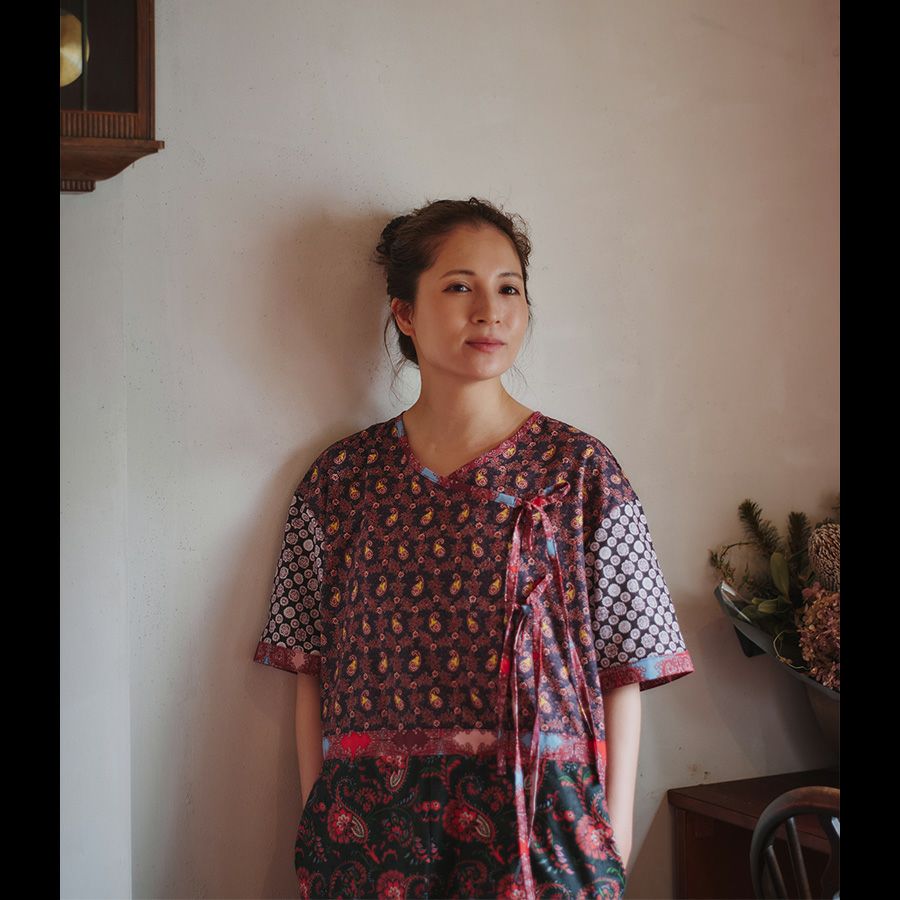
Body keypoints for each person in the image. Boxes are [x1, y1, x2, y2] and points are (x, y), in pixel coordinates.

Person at [252, 197, 695, 899]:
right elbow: (309, 662)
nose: (490, 311)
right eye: (460, 286)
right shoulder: (340, 480)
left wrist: (614, 832)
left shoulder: (580, 471)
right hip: (367, 831)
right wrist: (318, 811)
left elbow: (627, 666)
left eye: (508, 288)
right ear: (405, 312)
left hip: (542, 828)